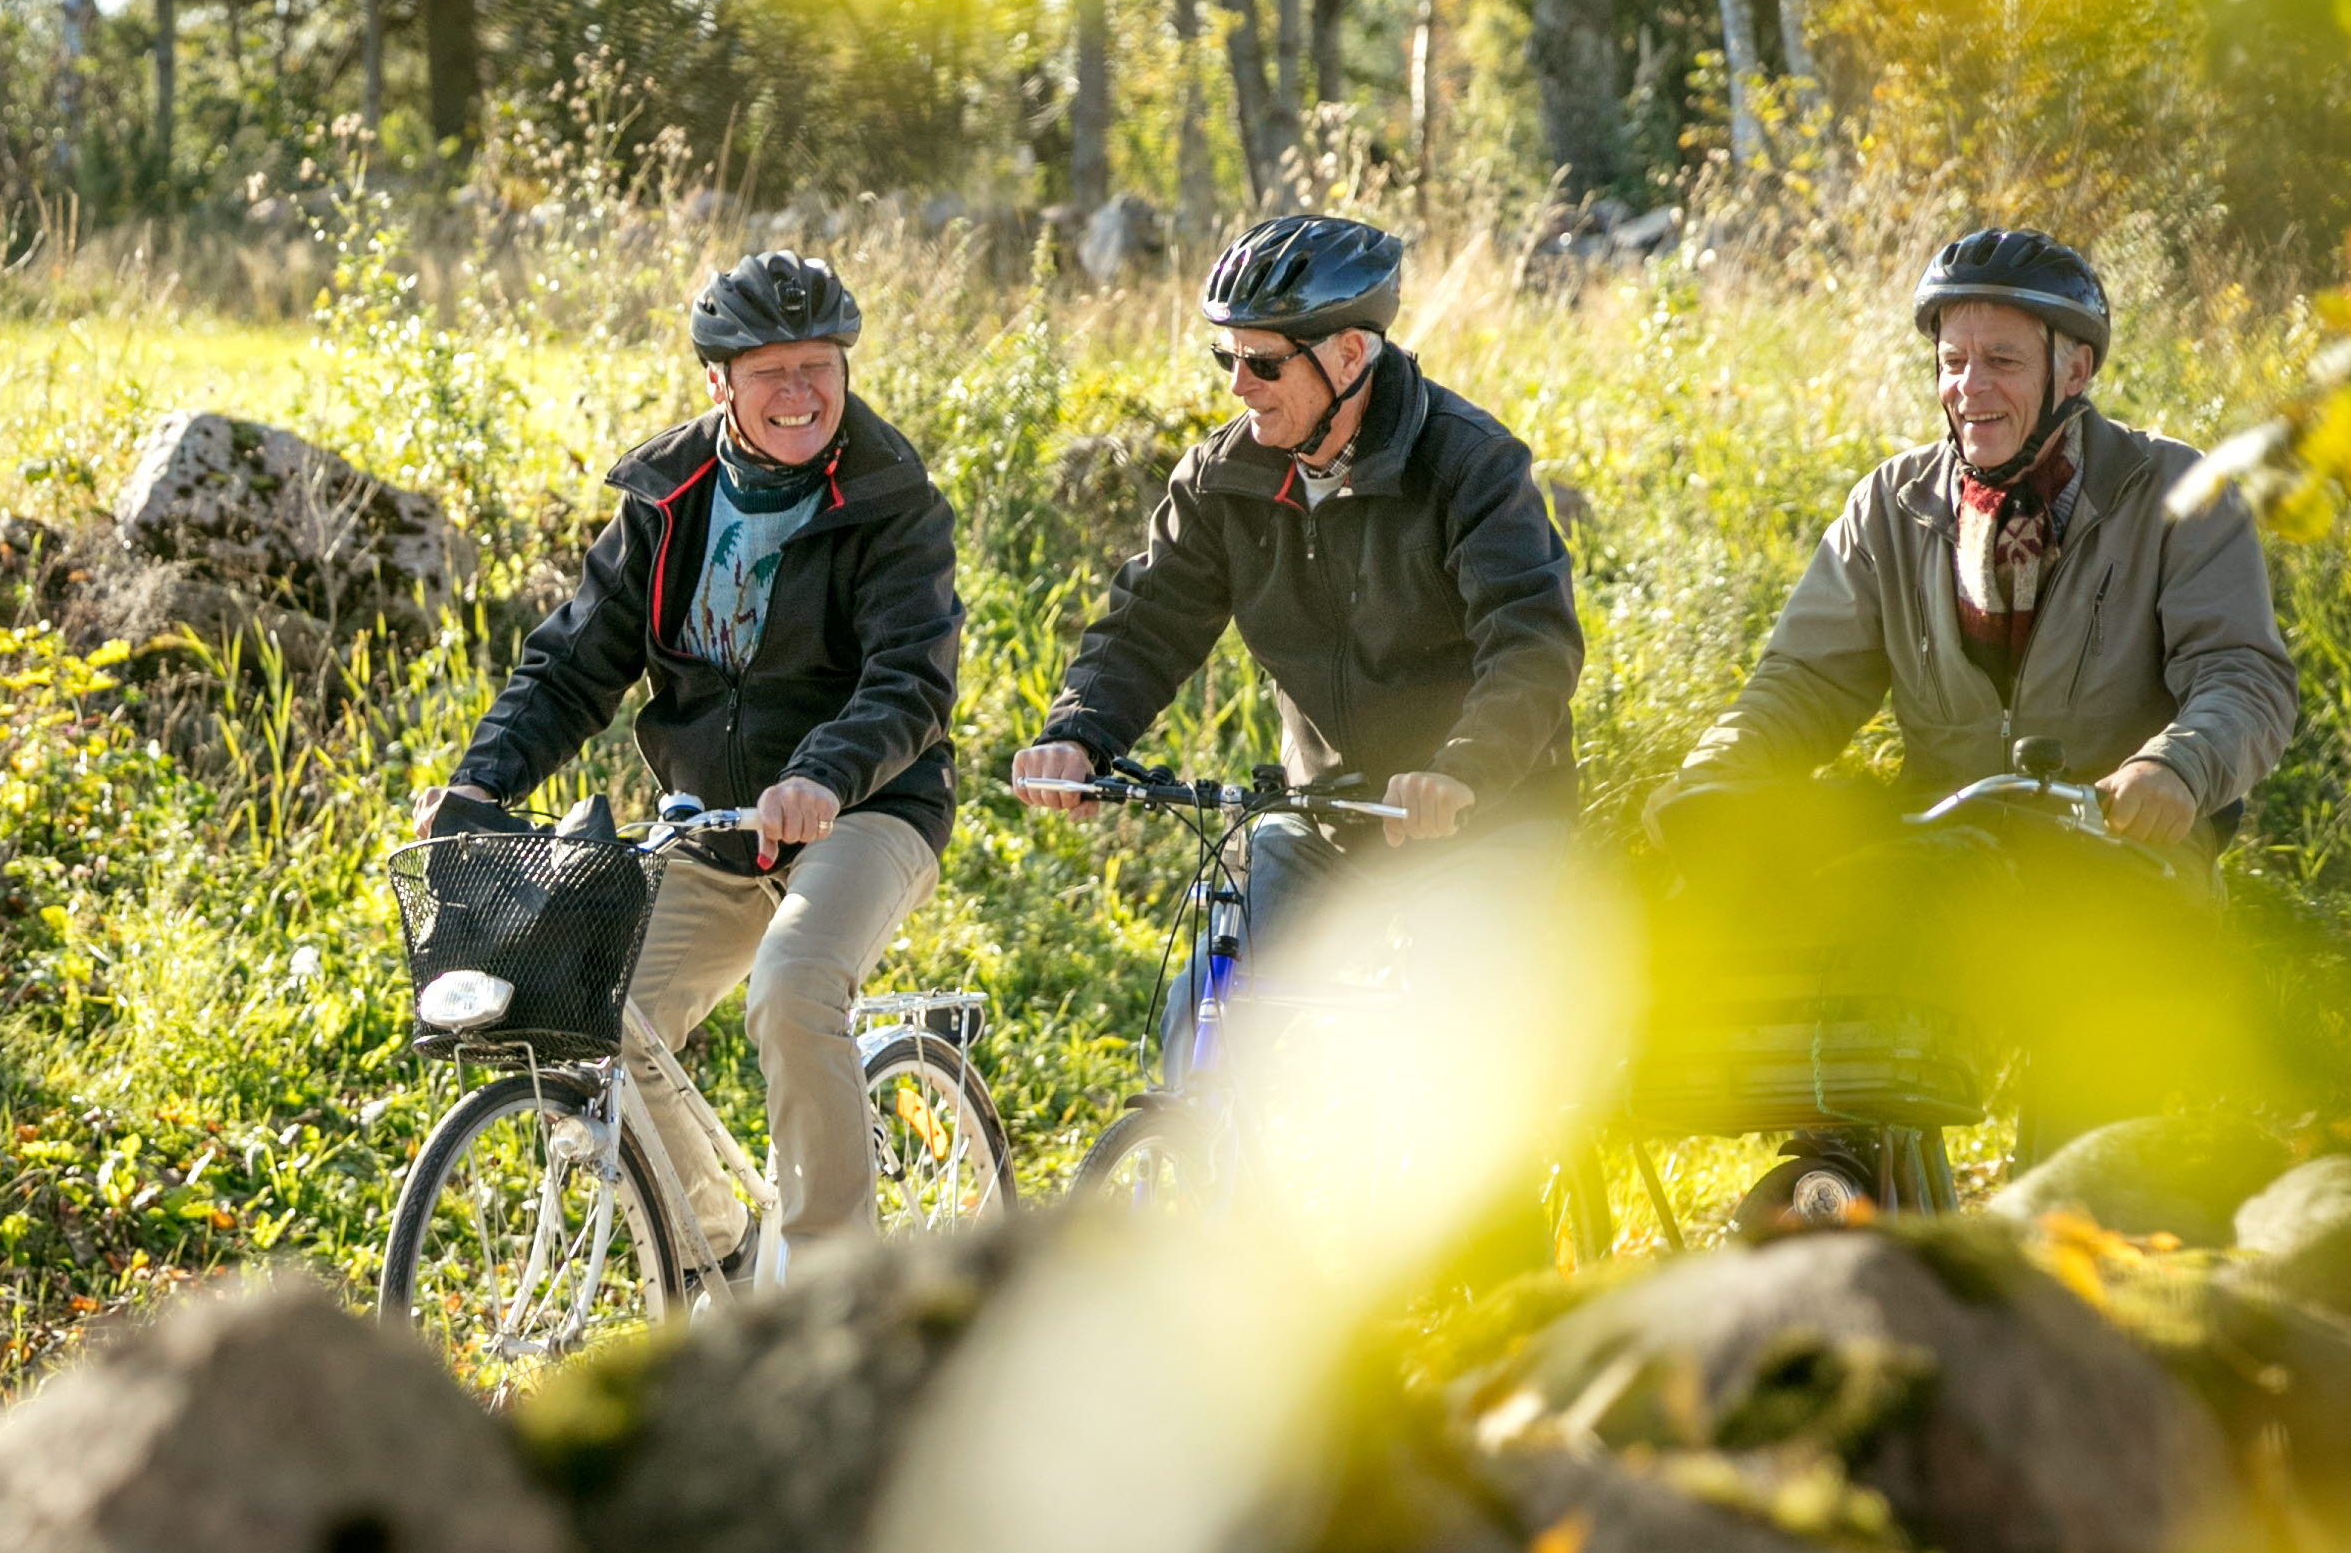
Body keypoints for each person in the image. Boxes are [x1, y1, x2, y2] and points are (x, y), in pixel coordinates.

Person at [435, 250, 962, 1259]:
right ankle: (712, 1236)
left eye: (820, 365)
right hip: (717, 825)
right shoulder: (667, 497)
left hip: (867, 809)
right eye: (772, 371)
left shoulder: (892, 498)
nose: (802, 393)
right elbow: (571, 665)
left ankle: (833, 1286)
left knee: (795, 985)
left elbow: (910, 678)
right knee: (584, 1017)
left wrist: (823, 776)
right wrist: (480, 779)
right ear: (717, 382)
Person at [1008, 210, 1586, 941]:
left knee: (1448, 1013)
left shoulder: (1469, 467)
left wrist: (1462, 772)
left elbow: (1531, 646)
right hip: (1326, 816)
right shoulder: (1224, 478)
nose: (1239, 386)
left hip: (1483, 815)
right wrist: (1080, 733)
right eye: (1229, 357)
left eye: (1265, 362)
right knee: (1210, 1006)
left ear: (1349, 355)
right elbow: (1150, 623)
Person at [1658, 225, 2297, 853]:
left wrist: (2176, 767)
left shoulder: (2178, 492)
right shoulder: (1891, 505)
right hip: (1942, 852)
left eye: (2002, 360)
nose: (1970, 388)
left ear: (2074, 371)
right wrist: (1716, 773)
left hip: (2121, 849)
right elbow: (1805, 682)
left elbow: (2241, 674)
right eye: (1953, 362)